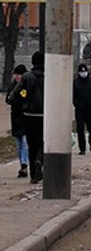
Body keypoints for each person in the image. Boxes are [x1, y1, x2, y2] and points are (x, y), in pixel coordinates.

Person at [13, 53, 45, 183]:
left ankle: (33, 176)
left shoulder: (26, 77)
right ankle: (39, 160)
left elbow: (15, 94)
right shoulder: (48, 77)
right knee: (42, 142)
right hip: (44, 115)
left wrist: (23, 102)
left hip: (29, 115)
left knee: (31, 144)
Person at [6, 64, 29, 178]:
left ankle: (24, 164)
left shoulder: (27, 86)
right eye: (16, 74)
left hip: (25, 117)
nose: (17, 77)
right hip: (15, 118)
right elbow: (8, 100)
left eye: (19, 74)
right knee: (19, 144)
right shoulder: (12, 86)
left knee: (25, 143)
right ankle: (22, 164)